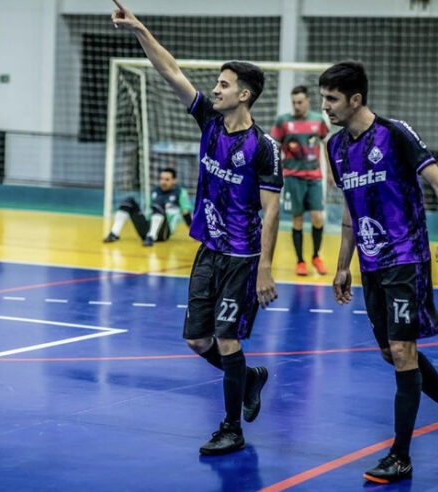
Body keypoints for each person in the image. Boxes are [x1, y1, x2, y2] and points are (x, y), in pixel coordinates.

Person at [112, 0, 283, 456]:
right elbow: (170, 71)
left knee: (227, 338)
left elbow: (272, 211)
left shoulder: (264, 147)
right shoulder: (208, 119)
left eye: (224, 84)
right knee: (196, 339)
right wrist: (139, 29)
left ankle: (231, 427)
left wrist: (266, 268)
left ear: (244, 94)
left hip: (242, 257)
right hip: (208, 248)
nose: (216, 89)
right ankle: (249, 377)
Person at [320, 61, 438, 484]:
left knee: (403, 351)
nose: (325, 106)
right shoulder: (335, 148)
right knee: (392, 353)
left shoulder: (395, 134)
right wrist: (342, 266)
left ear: (356, 99)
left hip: (406, 258)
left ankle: (400, 457)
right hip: (370, 264)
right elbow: (351, 216)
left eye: (332, 98)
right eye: (323, 98)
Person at [271, 86, 330, 276]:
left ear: (307, 101)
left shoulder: (318, 120)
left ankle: (316, 256)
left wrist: (330, 173)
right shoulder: (283, 122)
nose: (296, 106)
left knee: (317, 217)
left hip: (314, 177)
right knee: (297, 219)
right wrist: (276, 174)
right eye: (294, 102)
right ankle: (300, 261)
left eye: (300, 102)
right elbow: (275, 150)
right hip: (292, 177)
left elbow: (326, 145)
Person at [104, 167, 193, 246]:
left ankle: (152, 237)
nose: (163, 182)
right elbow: (150, 211)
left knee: (159, 203)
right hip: (148, 229)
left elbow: (186, 214)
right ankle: (114, 233)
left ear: (174, 180)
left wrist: (194, 233)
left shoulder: (180, 192)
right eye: (161, 179)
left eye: (167, 179)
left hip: (164, 232)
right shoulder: (155, 191)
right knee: (128, 201)